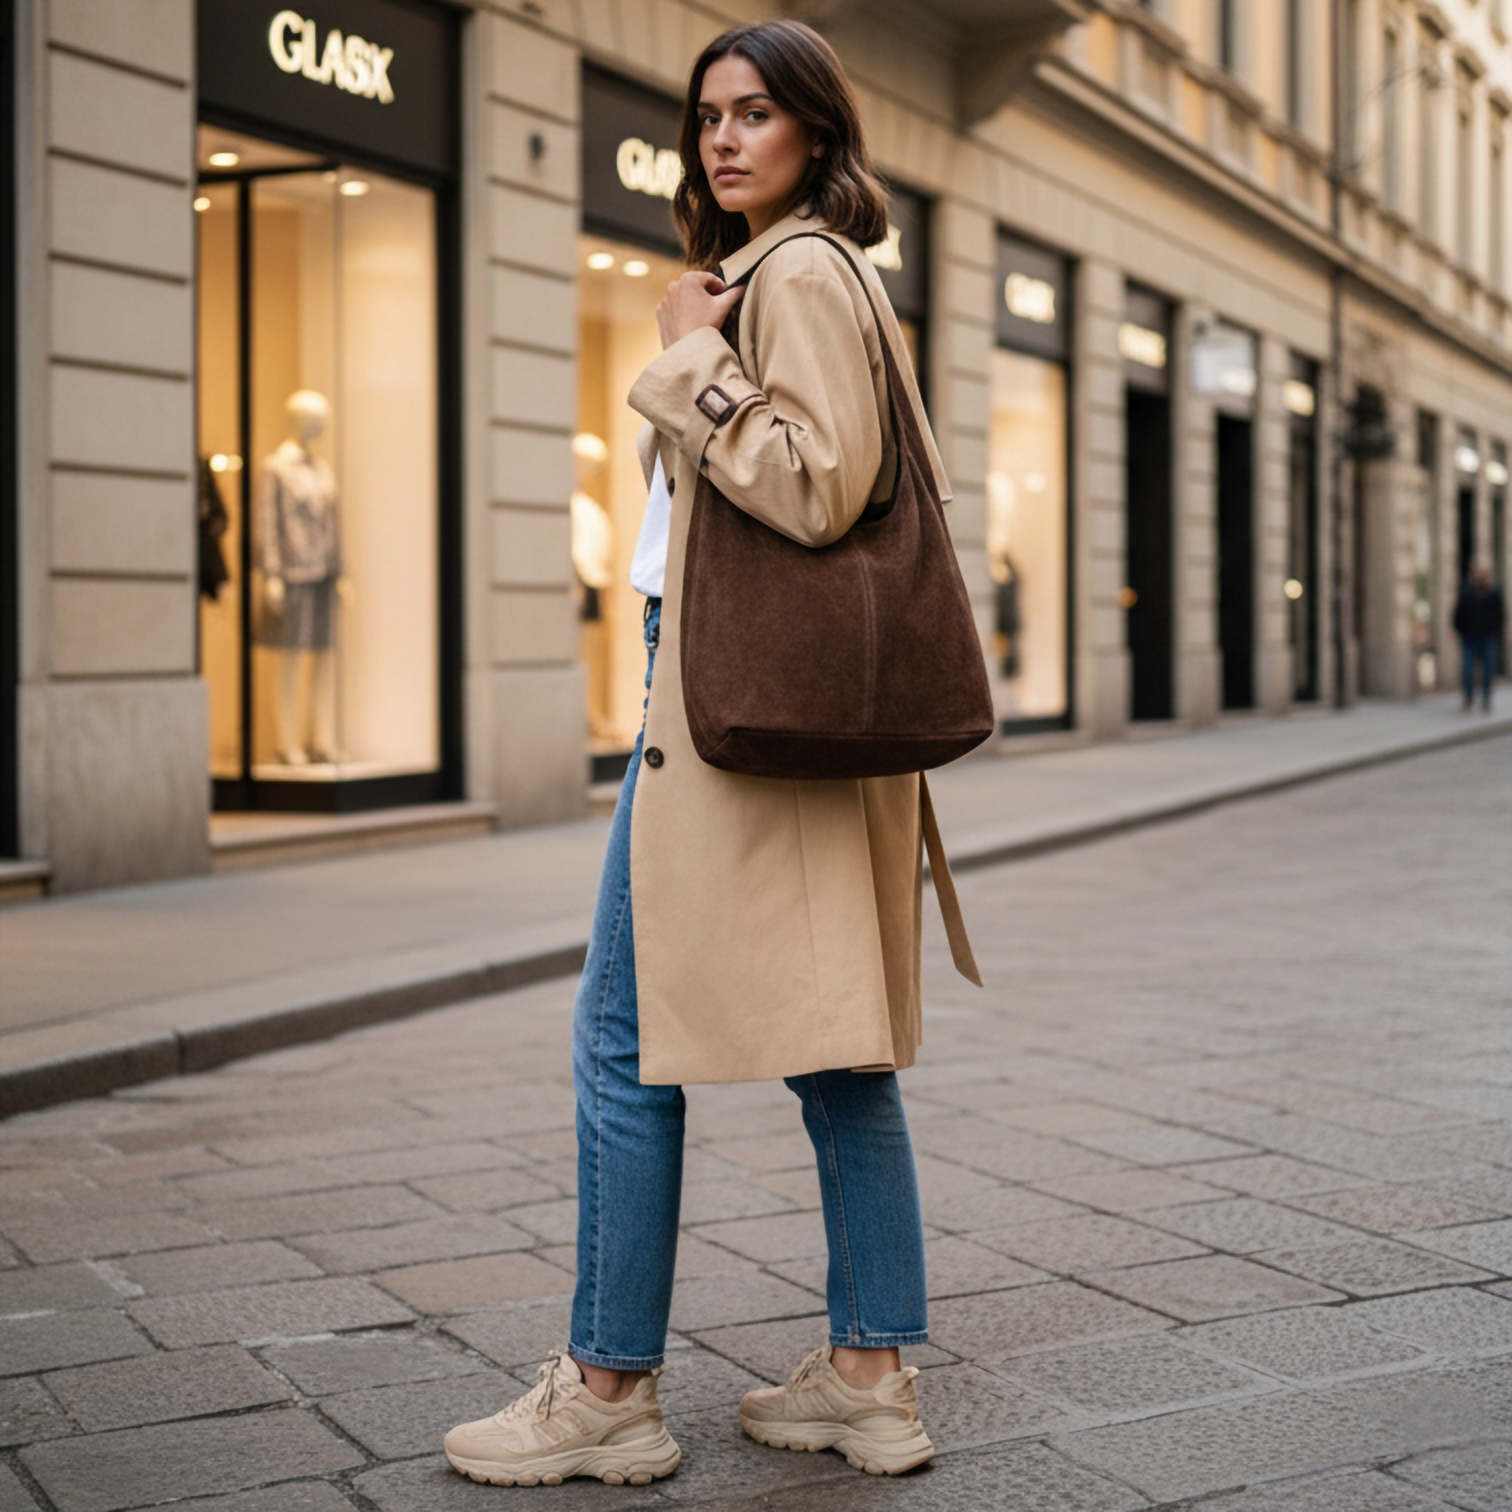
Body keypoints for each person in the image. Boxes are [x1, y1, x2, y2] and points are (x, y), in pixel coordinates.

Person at [444, 19, 973, 1488]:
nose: (723, 140)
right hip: (776, 712)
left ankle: (608, 1387)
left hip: (739, 718)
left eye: (756, 114)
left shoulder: (794, 273)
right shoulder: (808, 274)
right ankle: (869, 1371)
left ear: (816, 131)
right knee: (839, 1051)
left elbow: (817, 485)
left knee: (620, 1041)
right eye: (708, 117)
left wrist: (690, 357)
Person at [1452, 561, 1505, 712]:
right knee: (1467, 670)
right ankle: (1468, 696)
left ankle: (1486, 698)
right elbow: (1458, 615)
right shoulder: (1467, 594)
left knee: (1488, 672)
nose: (1478, 577)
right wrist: (1458, 631)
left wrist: (1497, 633)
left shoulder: (1494, 594)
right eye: (1476, 574)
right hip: (1469, 639)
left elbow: (1500, 616)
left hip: (1488, 638)